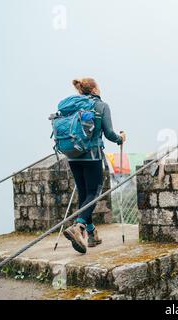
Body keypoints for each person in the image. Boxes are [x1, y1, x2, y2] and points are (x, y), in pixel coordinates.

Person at [63, 77, 126, 254]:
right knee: (95, 192)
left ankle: (91, 234)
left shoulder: (74, 105)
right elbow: (109, 133)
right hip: (92, 154)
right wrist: (120, 138)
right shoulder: (101, 105)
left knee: (84, 194)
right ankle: (79, 226)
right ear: (95, 89)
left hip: (73, 155)